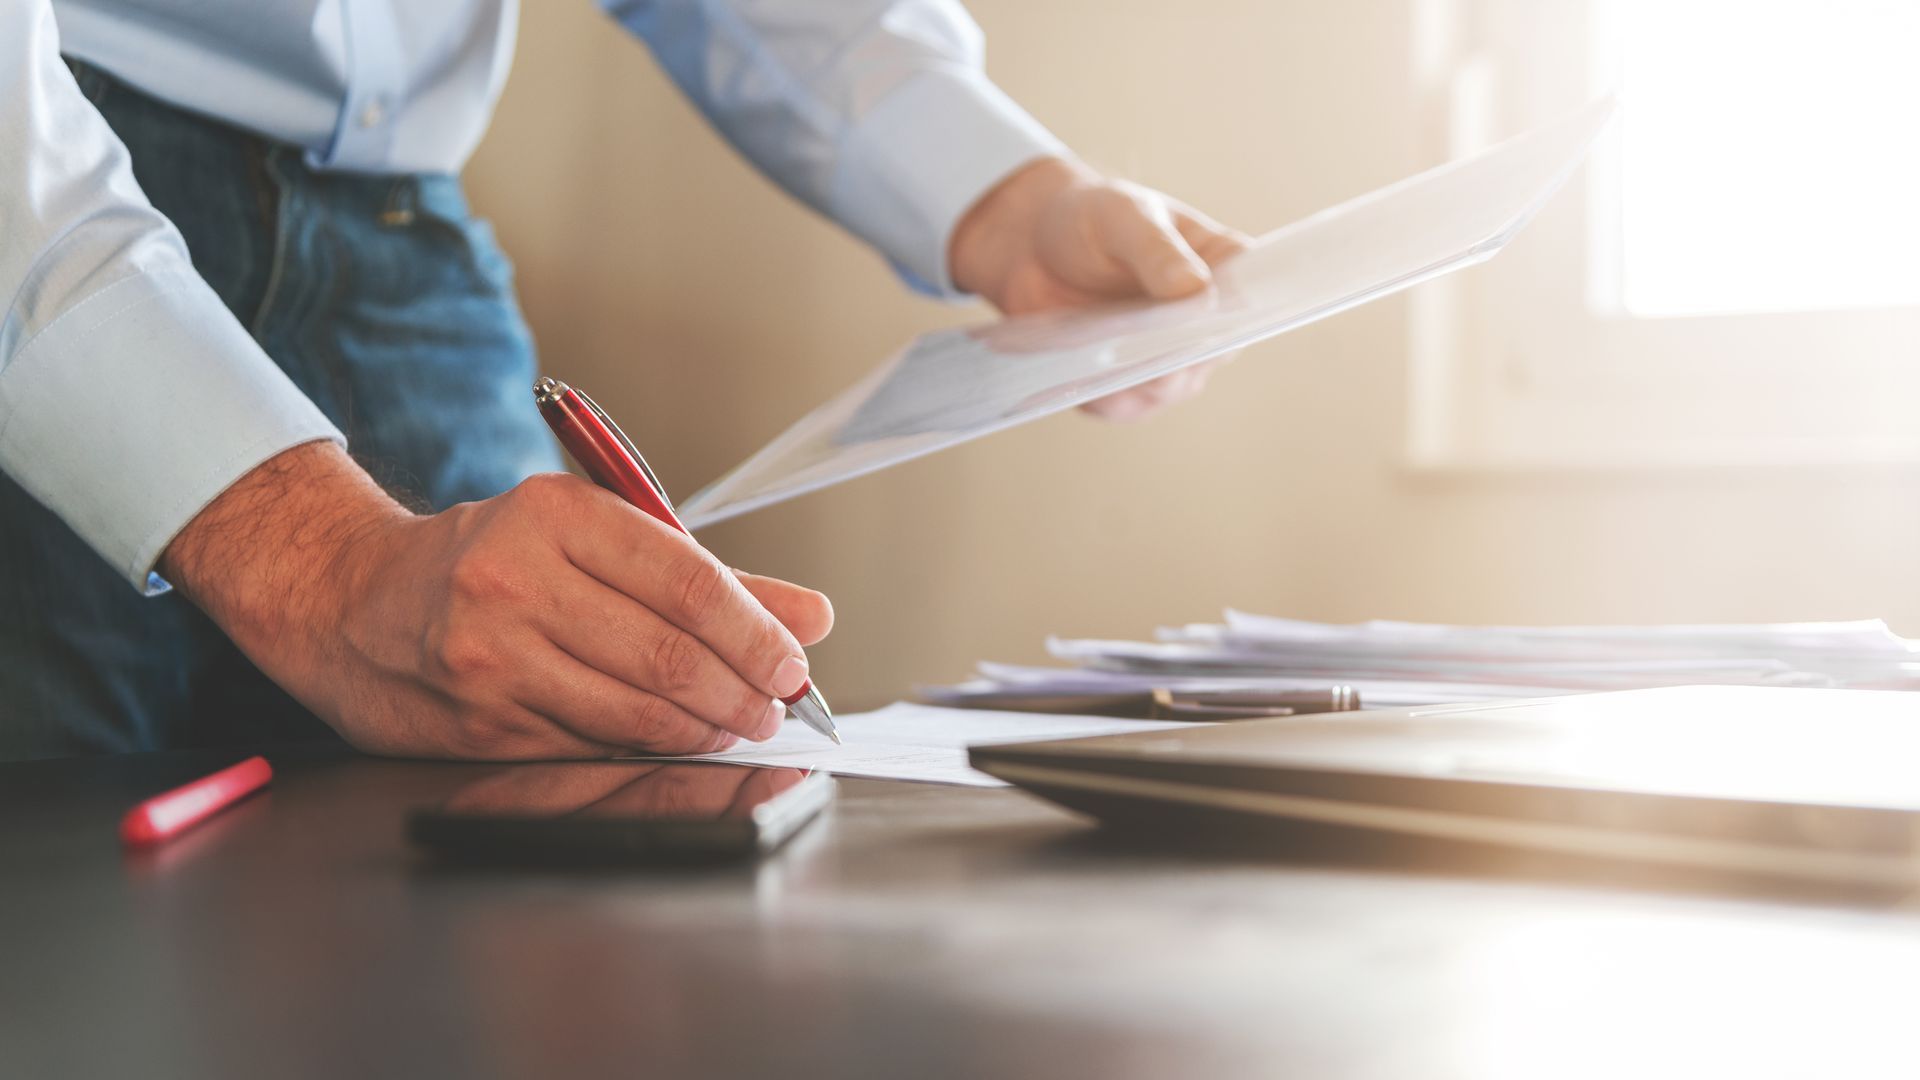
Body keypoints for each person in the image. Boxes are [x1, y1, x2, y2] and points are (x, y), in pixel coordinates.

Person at [0, 1, 1249, 762]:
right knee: (53, 885)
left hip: (405, 228)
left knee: (564, 848)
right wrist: (318, 564)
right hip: (45, 202)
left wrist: (1001, 196)